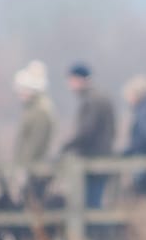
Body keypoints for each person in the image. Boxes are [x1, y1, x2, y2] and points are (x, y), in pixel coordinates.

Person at [62, 61, 117, 211]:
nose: (70, 85)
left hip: (94, 160)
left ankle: (95, 235)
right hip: (102, 157)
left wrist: (66, 147)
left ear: (80, 79)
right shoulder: (99, 97)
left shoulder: (92, 100)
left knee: (92, 205)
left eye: (72, 80)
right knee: (95, 202)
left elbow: (86, 132)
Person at [10, 60, 57, 194]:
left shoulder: (40, 110)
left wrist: (23, 168)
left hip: (35, 169)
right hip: (31, 167)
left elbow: (35, 143)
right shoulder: (33, 109)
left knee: (33, 201)